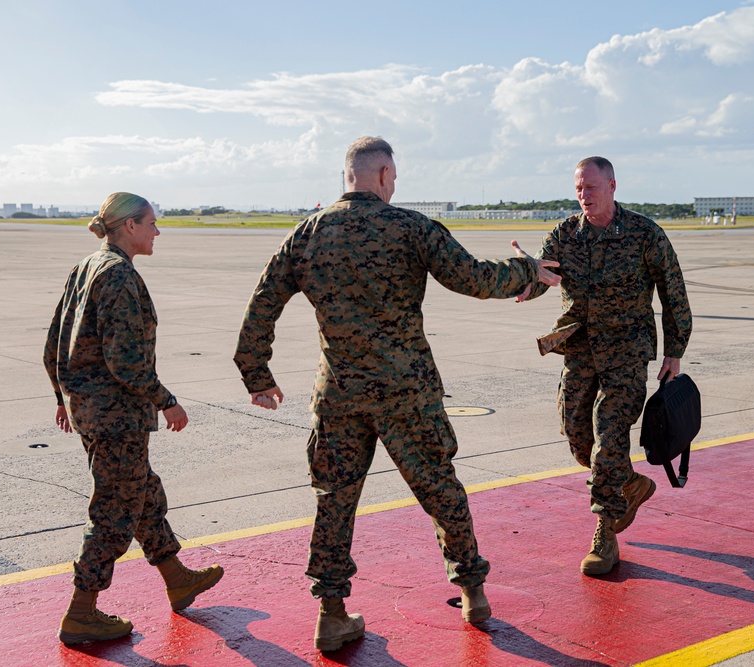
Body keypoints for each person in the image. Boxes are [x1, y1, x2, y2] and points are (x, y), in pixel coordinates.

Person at [234, 136, 561, 652]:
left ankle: (332, 613)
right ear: (384, 174)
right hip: (406, 392)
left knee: (334, 500)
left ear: (349, 175)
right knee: (439, 489)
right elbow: (473, 278)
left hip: (339, 394)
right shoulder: (411, 227)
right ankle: (474, 593)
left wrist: (256, 373)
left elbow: (262, 304)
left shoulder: (308, 234)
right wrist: (529, 272)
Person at [44, 192, 223, 644]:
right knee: (113, 511)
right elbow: (124, 359)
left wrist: (62, 398)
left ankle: (177, 577)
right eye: (151, 224)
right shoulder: (119, 276)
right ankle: (81, 612)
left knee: (142, 493)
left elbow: (53, 345)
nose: (157, 232)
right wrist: (166, 400)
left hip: (91, 410)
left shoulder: (86, 267)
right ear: (128, 226)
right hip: (116, 414)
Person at [517, 157, 692, 576]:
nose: (584, 195)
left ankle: (605, 534)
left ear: (612, 185)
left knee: (608, 437)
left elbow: (674, 291)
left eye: (592, 187)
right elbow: (544, 277)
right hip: (579, 350)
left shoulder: (644, 233)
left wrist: (674, 350)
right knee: (579, 439)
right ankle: (630, 485)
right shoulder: (565, 234)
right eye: (579, 188)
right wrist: (523, 275)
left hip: (626, 354)